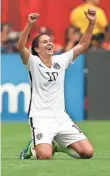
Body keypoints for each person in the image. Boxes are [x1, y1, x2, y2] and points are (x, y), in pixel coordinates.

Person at [17, 9, 96, 160]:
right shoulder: (33, 63)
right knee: (45, 156)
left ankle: (57, 146)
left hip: (61, 118)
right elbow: (20, 47)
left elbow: (83, 45)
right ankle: (33, 146)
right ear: (36, 48)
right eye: (45, 42)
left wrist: (91, 22)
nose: (50, 43)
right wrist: (29, 25)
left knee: (88, 153)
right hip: (40, 118)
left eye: (50, 41)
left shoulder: (61, 60)